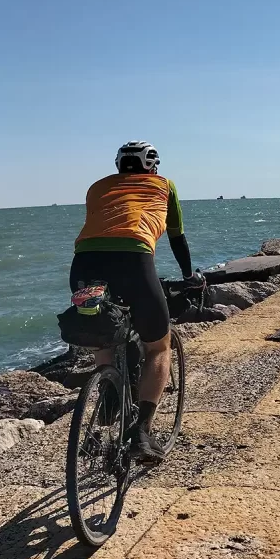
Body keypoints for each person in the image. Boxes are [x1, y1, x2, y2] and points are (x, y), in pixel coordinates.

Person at [70, 141, 204, 461]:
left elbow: (104, 230)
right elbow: (176, 237)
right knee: (158, 346)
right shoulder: (164, 185)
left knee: (104, 332)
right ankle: (142, 433)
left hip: (83, 265)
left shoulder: (96, 188)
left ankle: (109, 394)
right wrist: (189, 275)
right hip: (134, 263)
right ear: (152, 165)